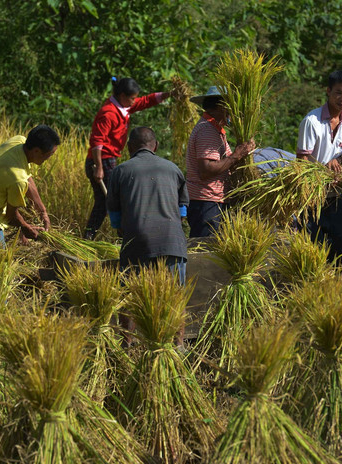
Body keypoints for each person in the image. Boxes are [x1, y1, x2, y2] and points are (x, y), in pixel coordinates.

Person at [106, 127, 189, 346]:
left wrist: (122, 228)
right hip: (173, 242)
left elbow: (114, 215)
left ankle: (128, 343)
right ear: (156, 146)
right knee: (175, 297)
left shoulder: (120, 171)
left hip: (137, 241)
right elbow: (183, 210)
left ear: (129, 148)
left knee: (129, 294)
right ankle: (177, 345)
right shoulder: (173, 169)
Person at [83, 77, 171, 240]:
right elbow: (97, 141)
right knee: (114, 200)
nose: (134, 101)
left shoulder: (124, 107)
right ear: (122, 96)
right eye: (132, 98)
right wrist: (99, 167)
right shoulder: (108, 113)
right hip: (102, 160)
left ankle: (91, 237)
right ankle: (124, 237)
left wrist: (167, 94)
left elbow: (145, 101)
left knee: (105, 202)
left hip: (108, 160)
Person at [296, 70, 342, 266]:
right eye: (338, 93)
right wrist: (324, 168)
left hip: (335, 194)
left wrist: (339, 164)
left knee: (341, 243)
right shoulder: (311, 121)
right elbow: (302, 160)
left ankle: (339, 285)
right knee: (312, 243)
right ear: (328, 91)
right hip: (311, 196)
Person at [185, 86, 255, 237]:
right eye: (230, 107)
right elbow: (206, 170)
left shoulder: (216, 130)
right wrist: (236, 155)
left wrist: (243, 153)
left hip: (213, 202)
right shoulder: (207, 130)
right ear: (220, 107)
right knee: (205, 253)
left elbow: (225, 163)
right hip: (206, 203)